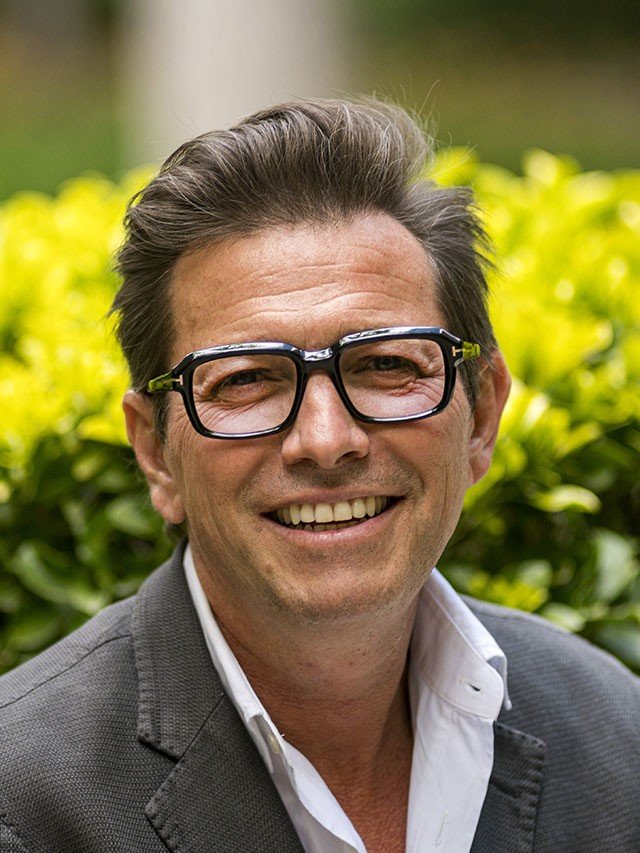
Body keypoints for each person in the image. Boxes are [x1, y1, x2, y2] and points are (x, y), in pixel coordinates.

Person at [0, 99, 638, 853]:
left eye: (387, 364)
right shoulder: (23, 801)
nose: (326, 441)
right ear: (155, 452)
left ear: (483, 416)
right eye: (245, 379)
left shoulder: (616, 732)